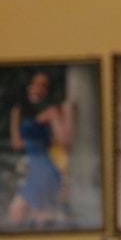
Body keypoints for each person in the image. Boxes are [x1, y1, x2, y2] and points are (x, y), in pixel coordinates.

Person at [7, 70, 73, 228]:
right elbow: (17, 143)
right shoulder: (19, 110)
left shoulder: (51, 112)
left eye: (43, 85)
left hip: (45, 168)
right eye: (34, 84)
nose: (37, 88)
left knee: (39, 220)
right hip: (33, 167)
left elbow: (64, 140)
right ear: (28, 86)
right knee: (16, 217)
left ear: (47, 90)